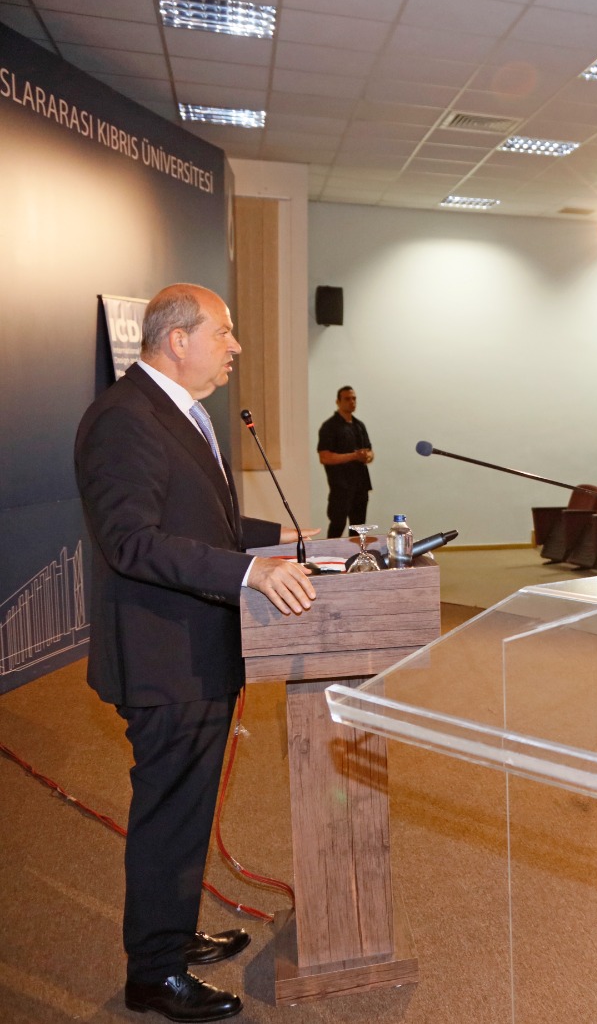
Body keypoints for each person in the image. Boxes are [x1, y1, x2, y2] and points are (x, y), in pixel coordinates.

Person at [75, 283, 319, 1021]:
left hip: (196, 652)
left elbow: (199, 521)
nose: (234, 345)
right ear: (177, 339)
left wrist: (285, 541)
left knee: (186, 810)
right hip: (164, 659)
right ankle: (154, 973)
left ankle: (171, 934)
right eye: (224, 332)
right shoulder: (124, 418)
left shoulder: (177, 410)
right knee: (170, 815)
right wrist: (251, 572)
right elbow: (132, 541)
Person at [315, 385, 373, 538]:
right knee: (337, 525)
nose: (352, 402)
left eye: (354, 399)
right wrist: (353, 456)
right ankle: (330, 553)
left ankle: (357, 553)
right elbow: (324, 457)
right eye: (347, 399)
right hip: (341, 487)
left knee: (359, 528)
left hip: (361, 486)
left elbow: (370, 451)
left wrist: (367, 456)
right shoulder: (329, 427)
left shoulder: (359, 425)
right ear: (338, 402)